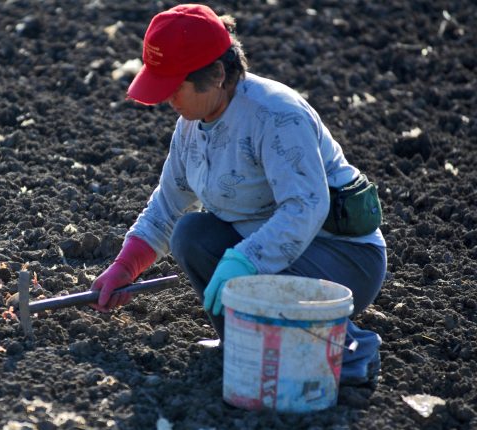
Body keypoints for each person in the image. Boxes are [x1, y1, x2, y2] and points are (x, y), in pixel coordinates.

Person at [90, 4, 387, 386]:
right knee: (192, 234)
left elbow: (305, 207)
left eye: (174, 86)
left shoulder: (275, 116)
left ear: (215, 75)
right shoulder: (190, 128)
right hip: (271, 251)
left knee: (242, 267)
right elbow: (167, 207)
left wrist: (246, 261)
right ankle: (242, 341)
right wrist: (125, 266)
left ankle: (351, 348)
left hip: (342, 256)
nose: (168, 100)